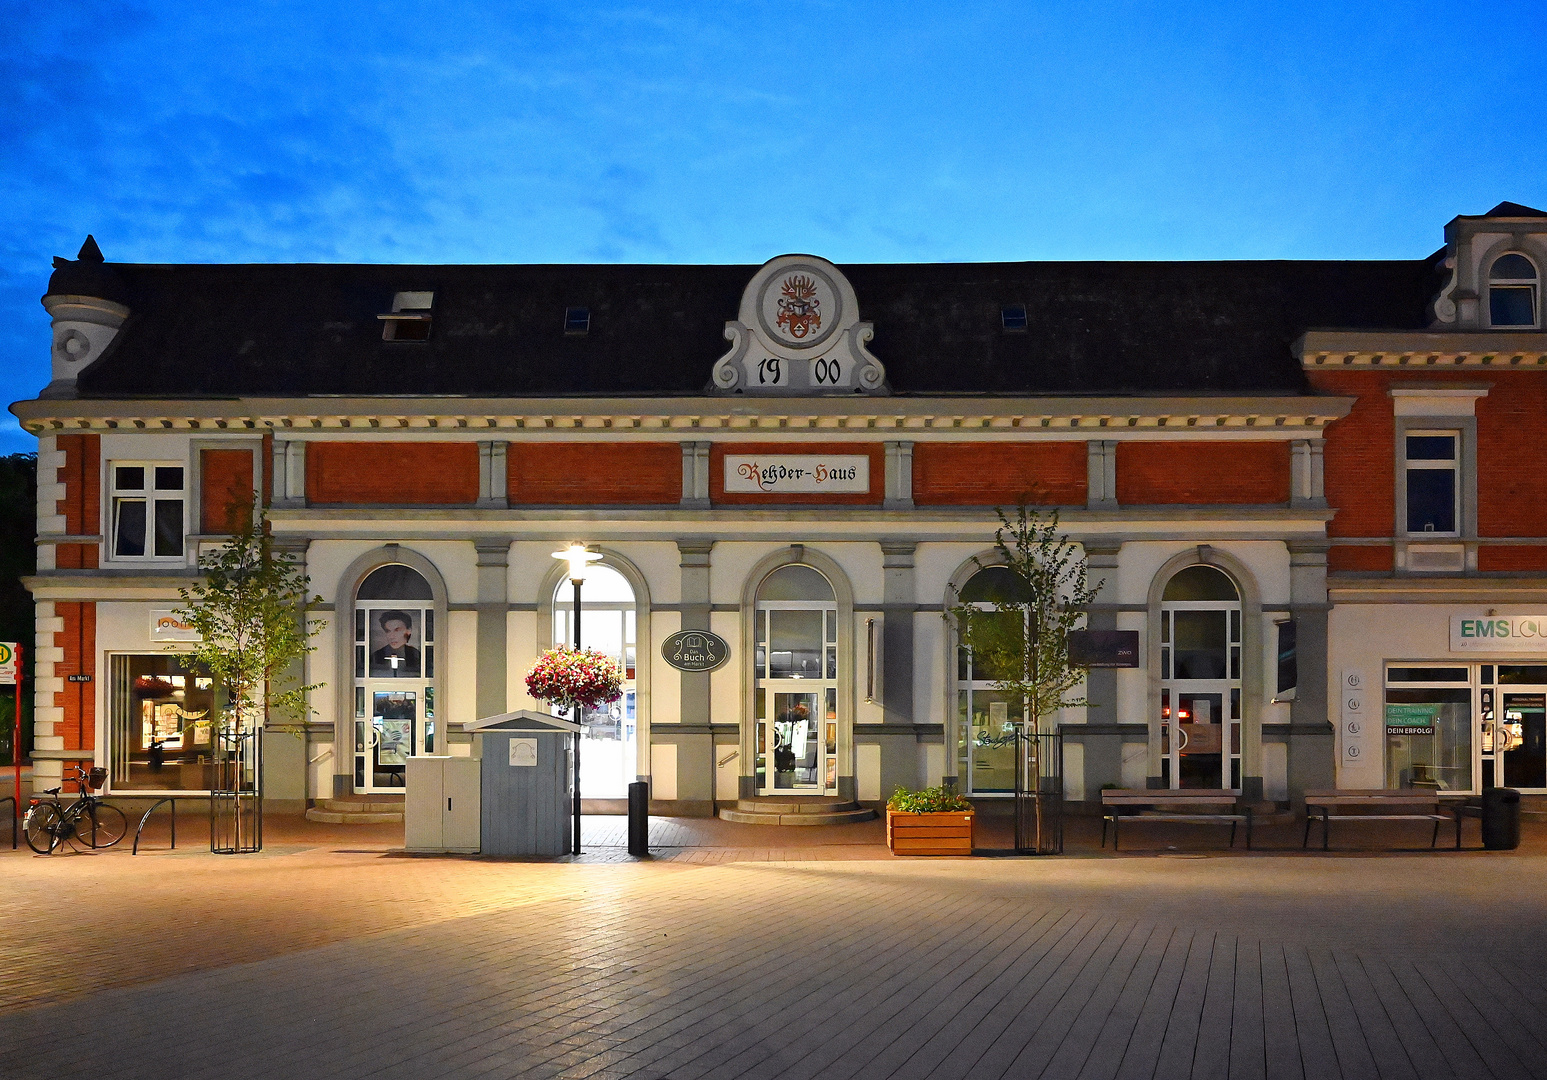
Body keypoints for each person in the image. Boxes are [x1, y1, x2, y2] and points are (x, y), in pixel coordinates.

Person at [370, 610, 422, 677]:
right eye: (388, 631)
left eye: (397, 630)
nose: (391, 636)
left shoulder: (417, 656)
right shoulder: (376, 656)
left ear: (408, 631)